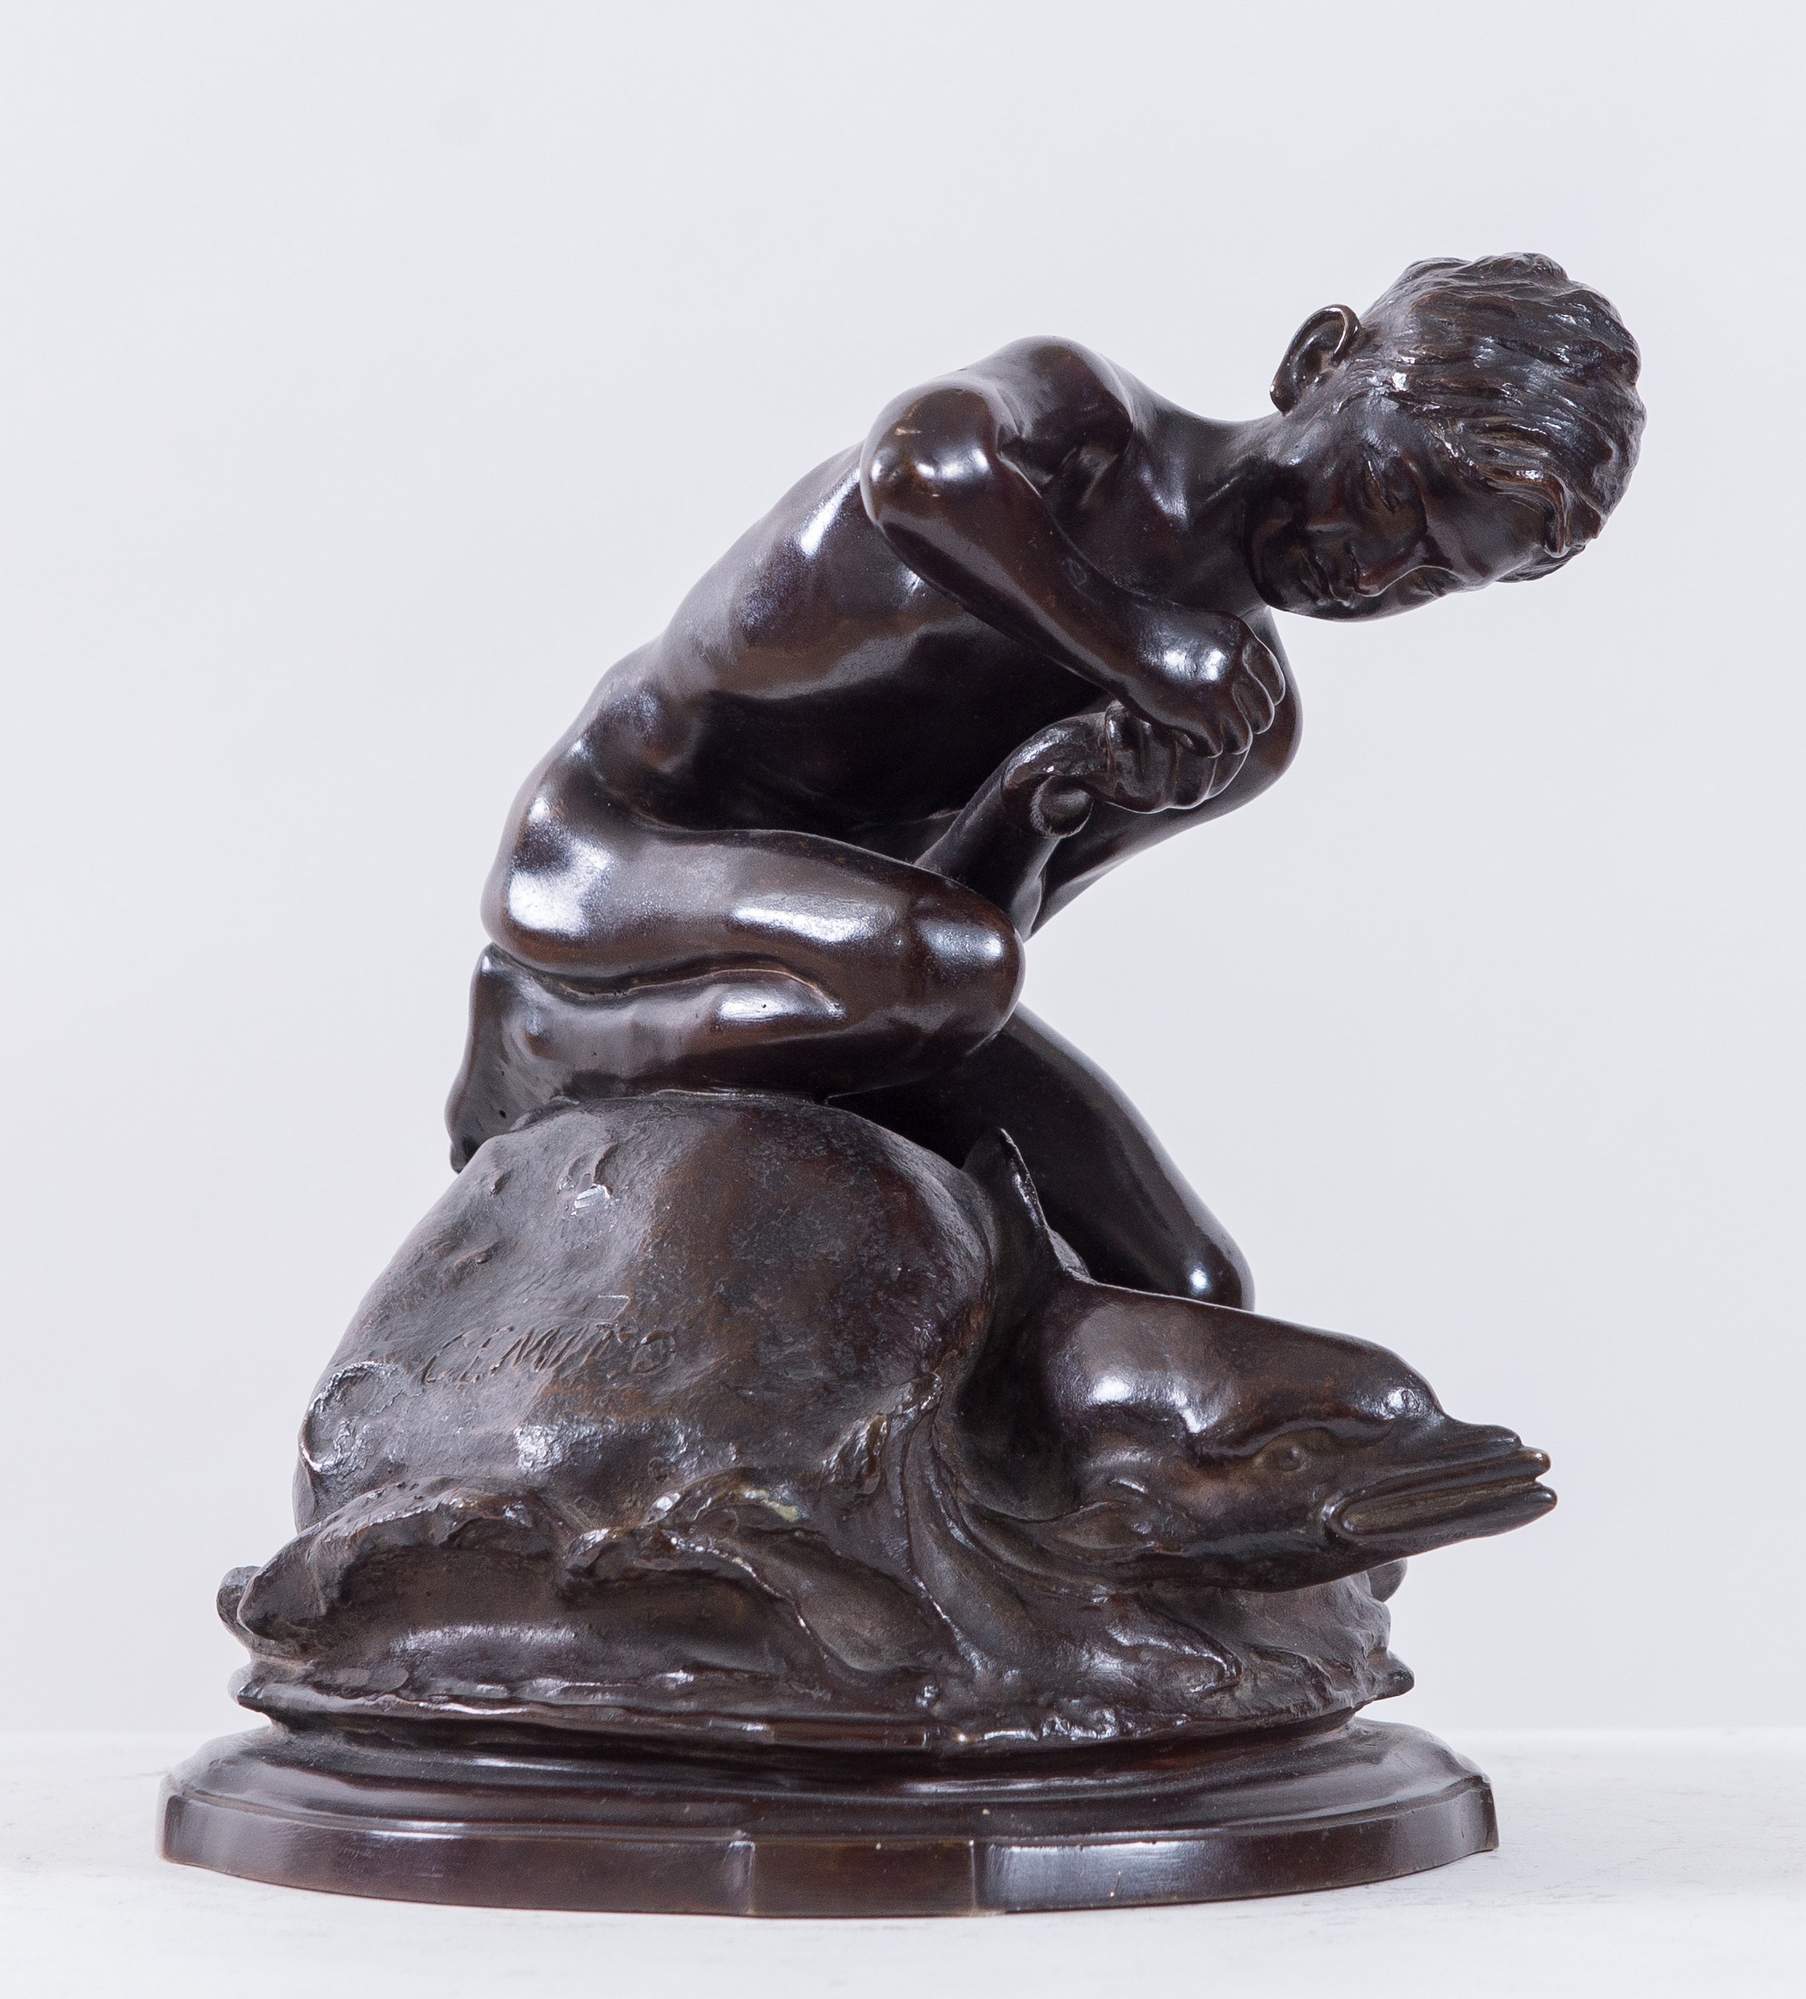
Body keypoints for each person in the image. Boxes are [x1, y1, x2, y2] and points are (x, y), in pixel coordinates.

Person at [447, 253, 1643, 1307]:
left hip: (868, 956)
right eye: (1384, 494)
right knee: (940, 964)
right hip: (620, 850)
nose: (1370, 570)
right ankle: (550, 1037)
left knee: (1187, 1278)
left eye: (1430, 577)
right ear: (1317, 358)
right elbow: (917, 474)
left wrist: (1047, 792)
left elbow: (975, 931)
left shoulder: (1240, 724)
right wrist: (1135, 645)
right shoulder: (1087, 427)